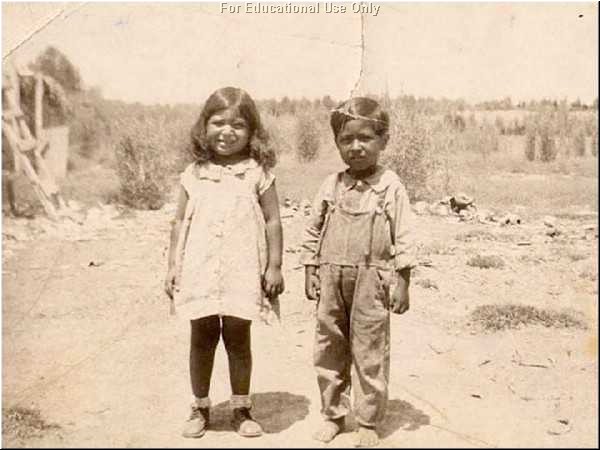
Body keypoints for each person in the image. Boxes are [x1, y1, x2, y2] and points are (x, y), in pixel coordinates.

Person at [164, 87, 284, 439]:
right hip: (200, 268)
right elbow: (179, 223)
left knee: (237, 337)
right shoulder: (193, 174)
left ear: (253, 132)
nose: (227, 131)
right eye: (218, 122)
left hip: (241, 269)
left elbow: (274, 220)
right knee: (201, 337)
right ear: (204, 127)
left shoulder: (257, 173)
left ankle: (241, 408)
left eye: (238, 125)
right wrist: (173, 266)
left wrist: (274, 265)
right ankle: (199, 407)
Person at [300, 97, 416, 447]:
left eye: (365, 138)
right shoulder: (331, 185)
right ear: (337, 143)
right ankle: (334, 413)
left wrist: (403, 281)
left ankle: (367, 421)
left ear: (383, 141)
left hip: (373, 280)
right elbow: (312, 229)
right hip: (332, 279)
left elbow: (405, 235)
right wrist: (310, 268)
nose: (356, 147)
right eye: (346, 140)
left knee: (369, 350)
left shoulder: (391, 186)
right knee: (329, 346)